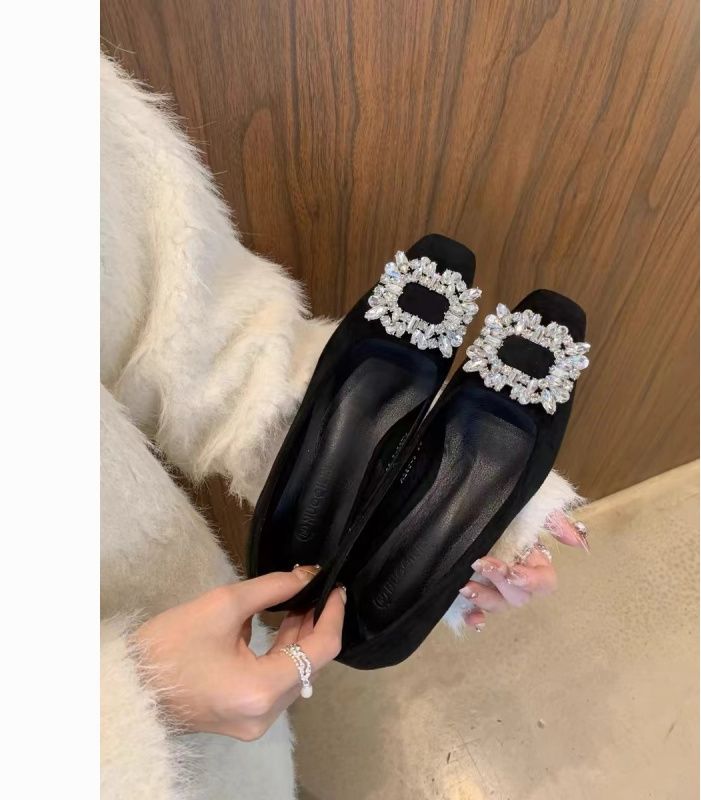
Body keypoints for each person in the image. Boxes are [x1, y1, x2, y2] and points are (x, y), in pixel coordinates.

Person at [100, 54, 587, 800]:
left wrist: (480, 537)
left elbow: (186, 341)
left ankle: (402, 540)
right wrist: (140, 703)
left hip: (190, 648)